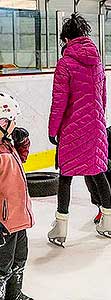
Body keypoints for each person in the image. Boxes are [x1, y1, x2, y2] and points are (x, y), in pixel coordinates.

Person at [48, 13, 111, 247]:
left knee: (66, 177)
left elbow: (59, 101)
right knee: (98, 173)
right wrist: (98, 121)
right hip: (95, 127)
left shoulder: (65, 63)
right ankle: (109, 221)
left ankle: (60, 227)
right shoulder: (98, 61)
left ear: (66, 39)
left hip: (72, 129)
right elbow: (103, 97)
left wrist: (52, 130)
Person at [0, 93, 34, 300]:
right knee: (1, 265)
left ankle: (14, 294)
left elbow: (21, 160)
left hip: (18, 218)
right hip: (3, 223)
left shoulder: (7, 145)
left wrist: (22, 143)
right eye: (12, 121)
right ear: (2, 122)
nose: (15, 125)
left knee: (19, 257)